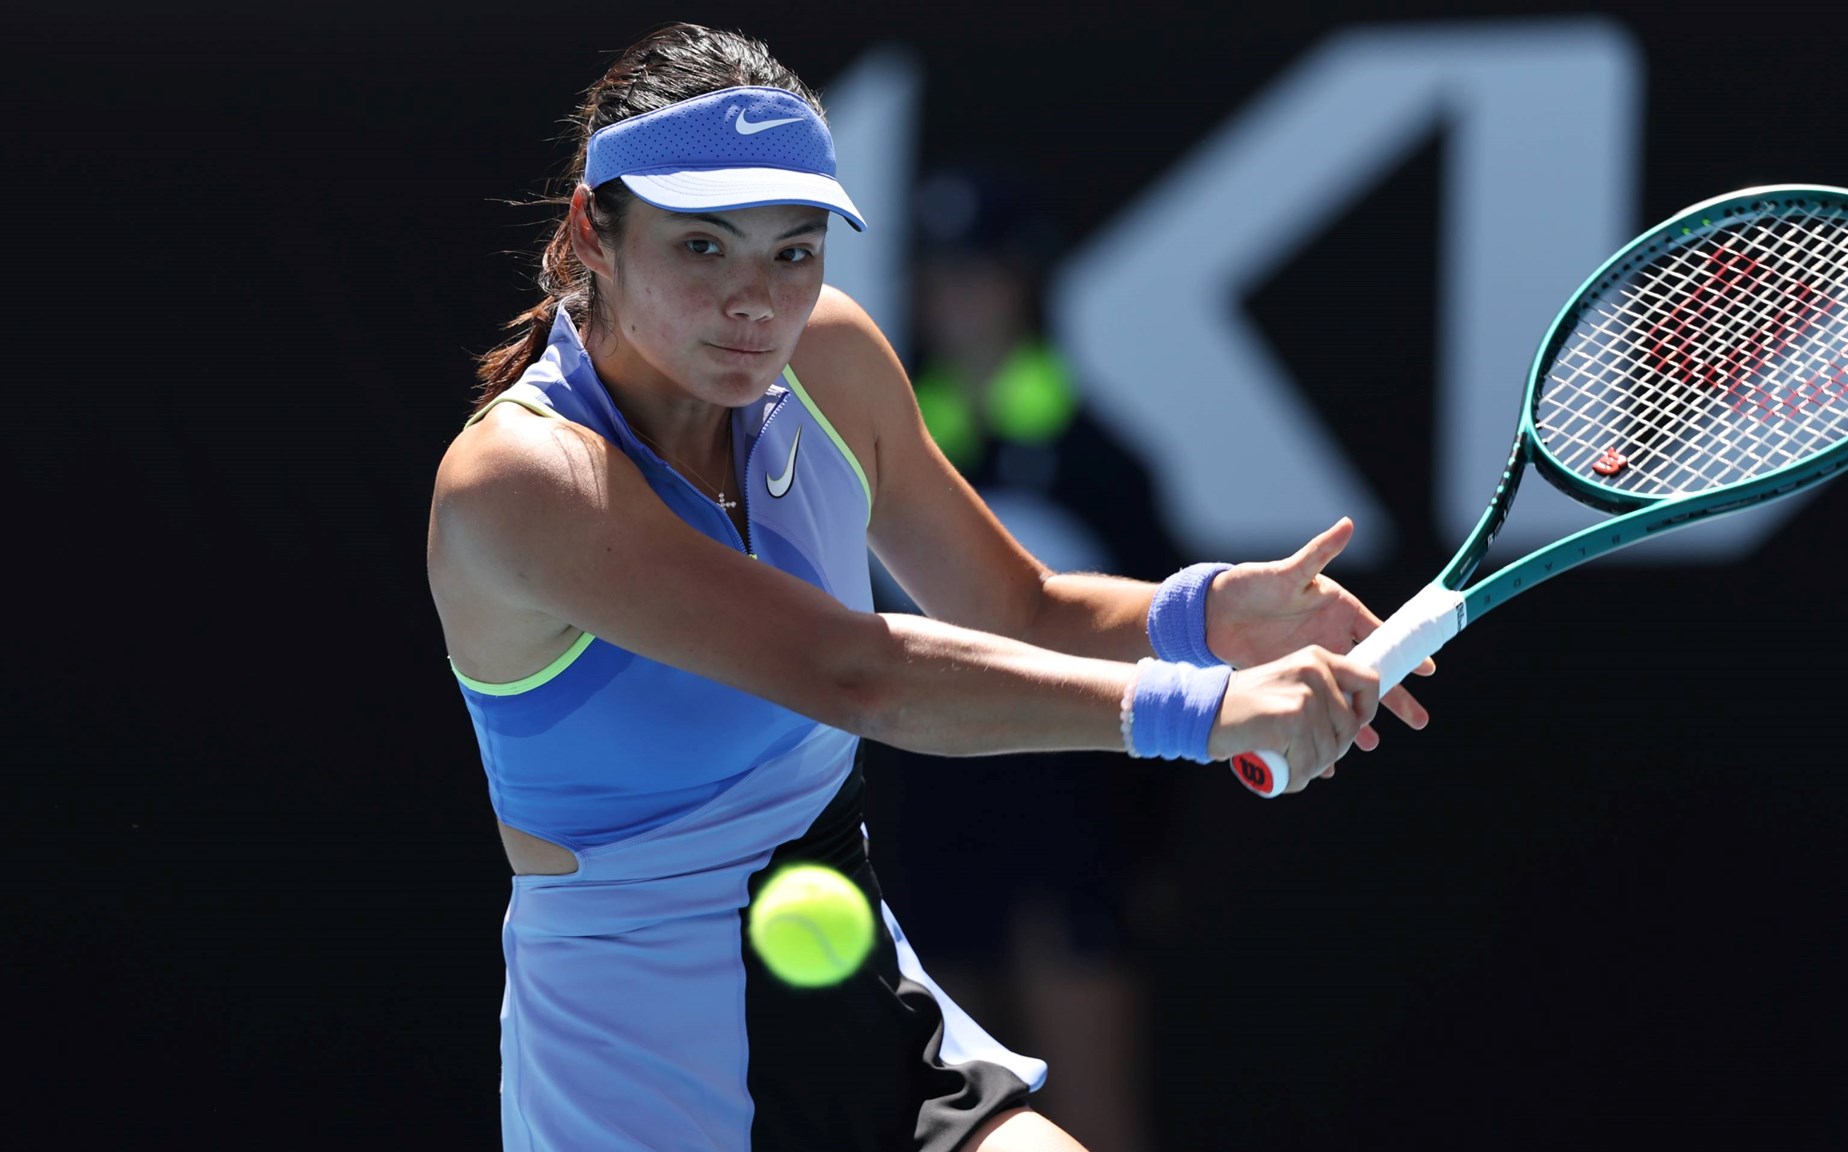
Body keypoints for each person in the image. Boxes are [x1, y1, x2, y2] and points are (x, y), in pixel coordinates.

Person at [425, 21, 1433, 1152]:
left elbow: (1018, 608)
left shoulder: (832, 362)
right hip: (635, 1080)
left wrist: (1196, 618)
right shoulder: (520, 481)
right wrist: (1197, 712)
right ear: (592, 235)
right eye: (702, 248)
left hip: (859, 1006)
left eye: (792, 251)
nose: (755, 302)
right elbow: (858, 674)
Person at [869, 162, 1189, 1152]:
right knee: (932, 1123)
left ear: (1025, 287)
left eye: (981, 275)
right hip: (922, 829)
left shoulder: (1104, 463)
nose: (958, 300)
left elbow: (1162, 652)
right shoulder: (856, 462)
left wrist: (1145, 845)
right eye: (938, 277)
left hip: (1069, 831)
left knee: (1089, 1117)